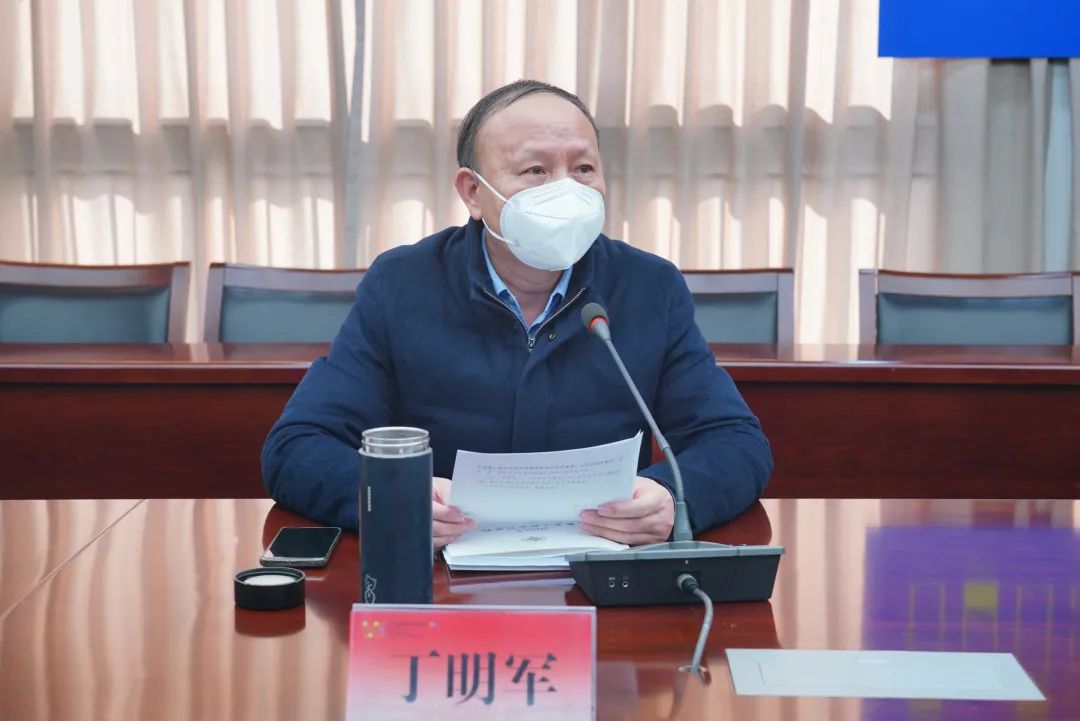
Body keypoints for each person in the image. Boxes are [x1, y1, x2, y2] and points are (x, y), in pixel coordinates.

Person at [262, 79, 772, 550]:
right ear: (473, 192)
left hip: (603, 574)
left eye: (584, 169)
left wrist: (672, 498)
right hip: (441, 576)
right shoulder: (403, 284)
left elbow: (735, 442)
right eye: (536, 171)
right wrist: (387, 496)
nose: (567, 190)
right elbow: (297, 446)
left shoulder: (648, 286)